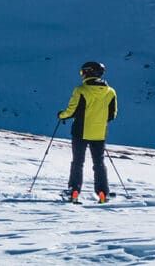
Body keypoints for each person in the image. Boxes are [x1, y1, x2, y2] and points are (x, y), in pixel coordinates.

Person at [57, 60, 118, 203]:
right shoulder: (111, 92)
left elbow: (71, 111)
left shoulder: (81, 90)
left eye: (82, 72)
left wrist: (61, 115)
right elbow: (112, 115)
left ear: (88, 72)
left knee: (78, 162)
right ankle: (103, 192)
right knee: (99, 163)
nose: (82, 75)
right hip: (99, 133)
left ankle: (74, 191)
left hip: (80, 132)